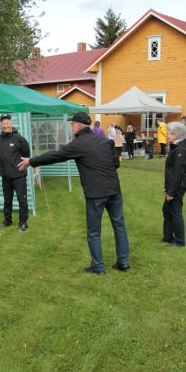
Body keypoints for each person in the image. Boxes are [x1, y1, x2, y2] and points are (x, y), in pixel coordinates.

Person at [18, 112, 130, 275]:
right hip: (114, 190)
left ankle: (98, 266)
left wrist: (31, 161)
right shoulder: (104, 141)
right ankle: (123, 261)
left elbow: (55, 155)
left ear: (77, 126)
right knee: (119, 225)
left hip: (95, 193)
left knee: (94, 231)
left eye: (72, 125)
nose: (71, 127)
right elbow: (115, 163)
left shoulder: (78, 144)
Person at [0, 114, 31, 231]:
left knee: (22, 200)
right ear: (1, 125)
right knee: (7, 200)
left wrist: (21, 165)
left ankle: (23, 222)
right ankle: (7, 220)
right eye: (3, 123)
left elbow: (26, 154)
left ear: (11, 123)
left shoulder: (19, 138)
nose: (5, 125)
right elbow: (0, 155)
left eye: (7, 123)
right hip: (5, 176)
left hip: (19, 175)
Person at [161, 122, 186, 247]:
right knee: (166, 210)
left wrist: (171, 192)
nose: (167, 135)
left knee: (176, 211)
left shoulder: (181, 150)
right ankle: (168, 237)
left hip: (179, 186)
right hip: (173, 185)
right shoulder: (175, 148)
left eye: (168, 133)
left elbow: (178, 173)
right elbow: (170, 170)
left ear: (176, 135)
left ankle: (179, 241)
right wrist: (167, 186)